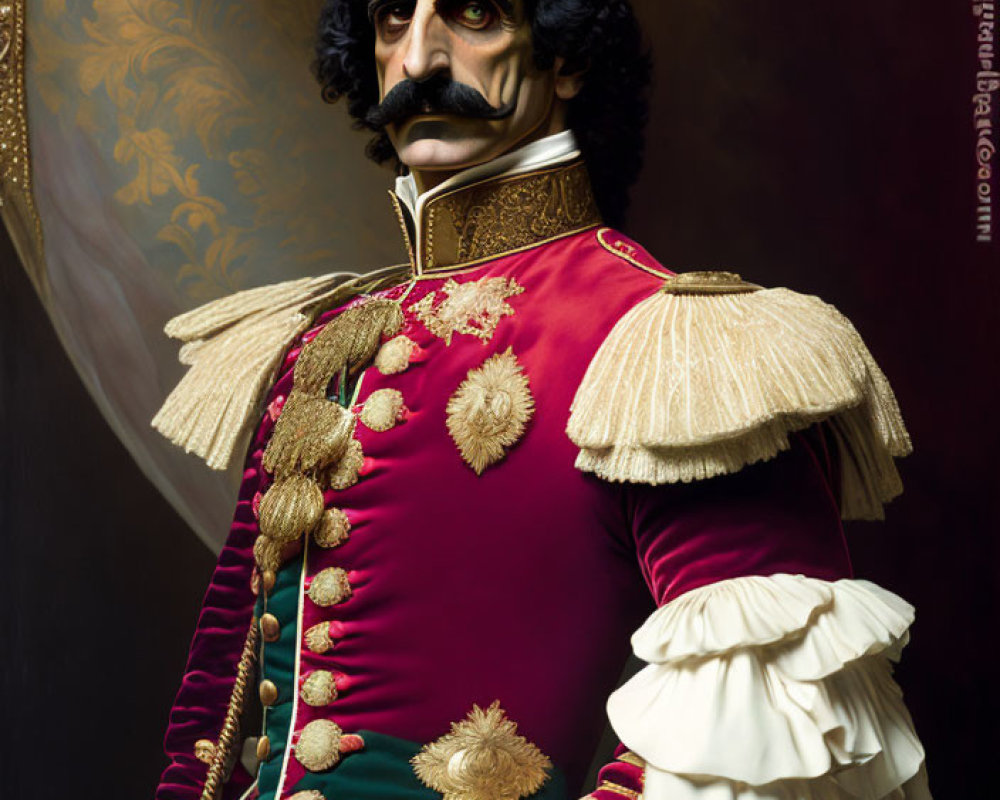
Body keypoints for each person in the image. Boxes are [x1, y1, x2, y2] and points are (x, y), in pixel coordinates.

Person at [152, 1, 931, 798]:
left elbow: (768, 718)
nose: (419, 59)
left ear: (567, 60)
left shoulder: (669, 347)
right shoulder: (326, 343)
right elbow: (215, 717)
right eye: (392, 18)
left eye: (474, 13)